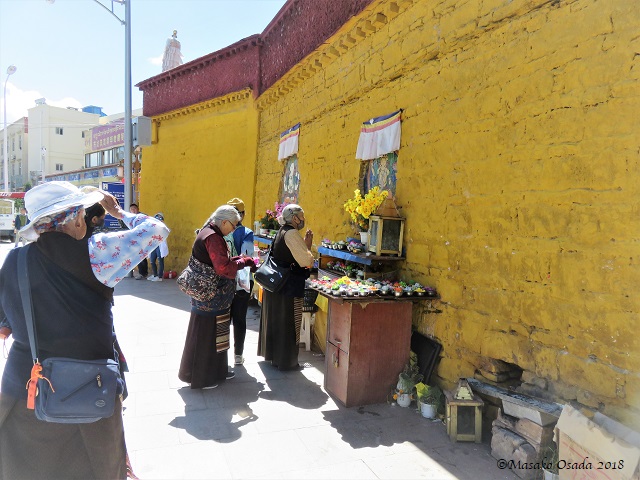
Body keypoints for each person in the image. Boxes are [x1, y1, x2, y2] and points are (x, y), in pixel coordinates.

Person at [0, 181, 169, 479]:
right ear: (77, 219)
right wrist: (117, 211)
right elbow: (156, 230)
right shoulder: (99, 252)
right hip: (88, 391)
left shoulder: (15, 259)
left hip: (26, 389)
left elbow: (5, 320)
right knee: (94, 466)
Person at [178, 205, 256, 389]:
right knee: (208, 336)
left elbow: (224, 262)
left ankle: (219, 371)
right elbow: (223, 268)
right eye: (234, 225)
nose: (235, 229)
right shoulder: (212, 237)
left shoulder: (214, 233)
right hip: (209, 297)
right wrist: (242, 262)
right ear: (224, 222)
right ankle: (203, 378)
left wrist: (242, 260)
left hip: (216, 298)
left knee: (220, 333)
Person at [258, 204, 314, 371]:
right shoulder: (292, 233)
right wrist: (308, 246)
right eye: (301, 216)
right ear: (294, 217)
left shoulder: (281, 231)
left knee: (276, 322)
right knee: (289, 323)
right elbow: (306, 261)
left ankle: (275, 357)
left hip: (276, 284)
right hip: (288, 286)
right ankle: (287, 362)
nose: (303, 219)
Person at [226, 197, 255, 365]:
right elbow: (247, 257)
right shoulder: (247, 233)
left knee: (224, 318)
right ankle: (238, 355)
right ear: (242, 215)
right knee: (240, 319)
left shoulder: (221, 231)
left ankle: (221, 354)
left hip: (224, 280)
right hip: (241, 283)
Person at [129, 203, 149, 279]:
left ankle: (143, 273)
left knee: (142, 257)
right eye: (131, 209)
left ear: (138, 209)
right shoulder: (130, 217)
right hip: (134, 240)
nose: (133, 210)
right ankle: (142, 273)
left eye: (134, 209)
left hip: (142, 239)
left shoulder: (143, 217)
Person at [148, 212, 169, 282]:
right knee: (152, 261)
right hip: (154, 245)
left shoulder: (163, 227)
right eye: (157, 218)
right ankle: (155, 275)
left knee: (160, 261)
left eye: (160, 218)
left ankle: (159, 276)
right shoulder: (152, 226)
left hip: (160, 246)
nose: (158, 219)